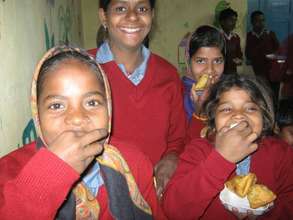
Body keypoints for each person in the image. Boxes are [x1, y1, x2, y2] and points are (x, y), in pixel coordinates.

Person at [0, 46, 165, 220]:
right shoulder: (9, 173)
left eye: (92, 103)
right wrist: (50, 174)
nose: (77, 118)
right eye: (57, 105)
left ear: (108, 107)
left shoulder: (134, 163)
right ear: (37, 114)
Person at [89, 0, 187, 197]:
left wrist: (171, 157)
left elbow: (177, 138)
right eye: (121, 8)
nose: (133, 16)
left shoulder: (168, 75)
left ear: (152, 15)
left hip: (154, 194)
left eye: (142, 9)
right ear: (103, 17)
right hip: (101, 197)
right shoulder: (82, 70)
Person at [162, 74, 293, 219]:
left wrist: (265, 213)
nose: (238, 115)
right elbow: (174, 210)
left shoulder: (281, 153)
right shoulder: (198, 150)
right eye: (226, 109)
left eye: (250, 109)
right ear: (213, 118)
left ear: (264, 116)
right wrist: (221, 159)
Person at [181, 25, 226, 143]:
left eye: (217, 61)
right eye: (201, 61)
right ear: (188, 60)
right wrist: (200, 112)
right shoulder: (180, 95)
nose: (210, 70)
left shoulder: (227, 91)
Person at [245, 10, 279, 98]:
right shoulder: (249, 36)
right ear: (252, 22)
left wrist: (273, 56)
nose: (261, 23)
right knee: (260, 95)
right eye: (257, 21)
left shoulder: (270, 34)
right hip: (257, 71)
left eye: (263, 20)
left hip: (271, 70)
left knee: (272, 94)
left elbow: (278, 51)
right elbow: (248, 54)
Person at [219, 8, 243, 74]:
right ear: (222, 22)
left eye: (235, 20)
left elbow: (239, 54)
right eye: (231, 20)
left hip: (232, 72)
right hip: (220, 73)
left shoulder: (236, 37)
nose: (234, 23)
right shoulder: (216, 36)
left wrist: (239, 60)